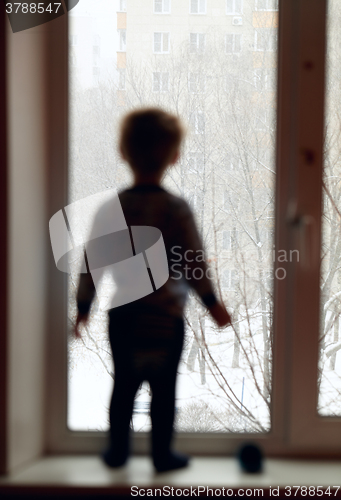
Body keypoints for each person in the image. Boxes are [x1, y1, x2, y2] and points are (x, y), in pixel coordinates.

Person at [74, 108, 231, 472]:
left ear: (123, 153)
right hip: (165, 317)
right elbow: (194, 263)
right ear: (175, 156)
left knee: (124, 385)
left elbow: (91, 263)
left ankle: (117, 453)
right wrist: (212, 305)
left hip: (124, 317)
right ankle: (162, 456)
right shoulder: (176, 209)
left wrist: (83, 308)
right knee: (164, 389)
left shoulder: (112, 209)